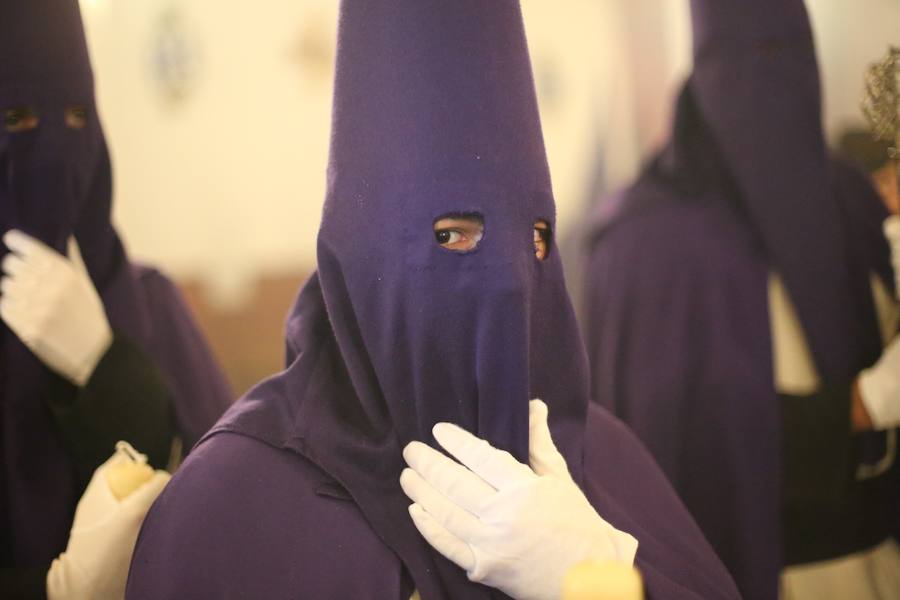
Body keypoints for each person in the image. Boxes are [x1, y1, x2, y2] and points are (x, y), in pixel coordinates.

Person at [125, 1, 740, 598]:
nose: (506, 281)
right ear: (364, 249)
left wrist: (600, 580)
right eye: (452, 236)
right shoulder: (234, 504)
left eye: (534, 240)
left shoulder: (604, 457)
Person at [582, 0, 900, 598]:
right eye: (750, 59)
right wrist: (861, 404)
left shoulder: (848, 200)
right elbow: (677, 443)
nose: (772, 83)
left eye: (787, 56)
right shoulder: (647, 246)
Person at [0, 0, 233, 596]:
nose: (52, 148)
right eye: (16, 120)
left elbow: (234, 508)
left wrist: (105, 366)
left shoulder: (148, 302)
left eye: (77, 115)